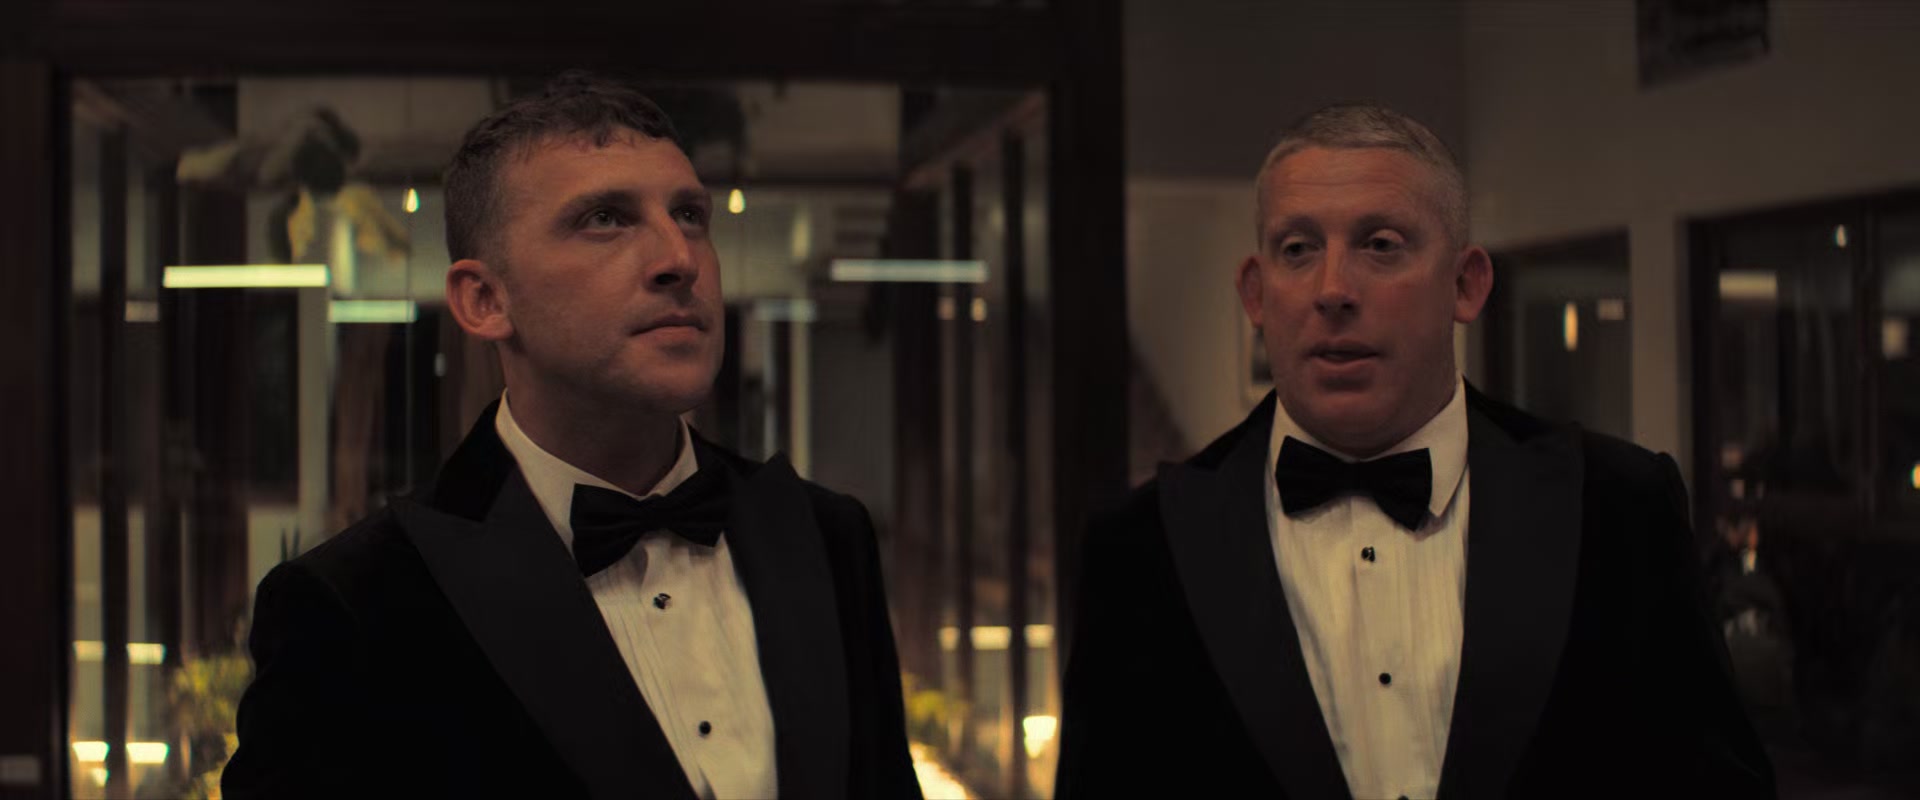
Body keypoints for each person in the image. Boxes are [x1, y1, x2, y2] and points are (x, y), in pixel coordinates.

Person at [223, 73, 921, 800]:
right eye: (606, 219)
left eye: (689, 215)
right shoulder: (353, 604)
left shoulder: (824, 537)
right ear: (484, 299)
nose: (679, 258)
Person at [1055, 105, 1773, 799]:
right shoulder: (1141, 545)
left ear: (1465, 284)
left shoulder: (1620, 506)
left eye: (1380, 244)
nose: (1333, 290)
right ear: (1256, 293)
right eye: (1298, 249)